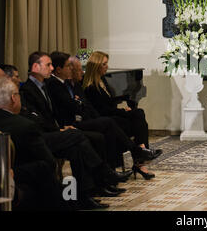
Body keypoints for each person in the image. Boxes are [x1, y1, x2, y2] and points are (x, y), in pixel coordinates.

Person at [19, 51, 129, 209]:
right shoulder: (29, 90)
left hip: (56, 130)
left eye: (52, 64)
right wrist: (60, 128)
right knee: (79, 136)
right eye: (48, 65)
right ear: (36, 67)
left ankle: (86, 194)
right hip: (43, 136)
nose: (51, 68)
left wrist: (61, 127)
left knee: (78, 148)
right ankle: (104, 174)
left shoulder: (44, 86)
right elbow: (36, 119)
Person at [0, 77, 72, 210]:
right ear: (14, 98)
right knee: (43, 169)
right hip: (10, 182)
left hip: (7, 176)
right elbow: (49, 162)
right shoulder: (25, 126)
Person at [82, 51, 161, 179]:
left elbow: (110, 104)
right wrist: (123, 111)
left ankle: (141, 151)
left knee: (138, 114)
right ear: (96, 66)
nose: (107, 66)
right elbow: (103, 110)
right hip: (104, 120)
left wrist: (124, 110)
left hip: (111, 116)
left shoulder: (102, 80)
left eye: (106, 63)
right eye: (104, 64)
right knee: (136, 119)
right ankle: (140, 159)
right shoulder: (91, 87)